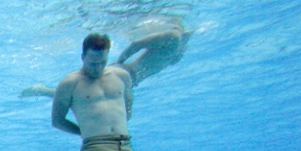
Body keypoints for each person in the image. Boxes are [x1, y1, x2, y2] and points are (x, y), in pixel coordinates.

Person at [20, 25, 192, 98]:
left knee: (80, 93)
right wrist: (119, 65)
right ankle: (41, 90)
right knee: (79, 93)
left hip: (129, 79)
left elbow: (161, 61)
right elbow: (137, 44)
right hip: (124, 74)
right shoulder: (174, 37)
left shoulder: (180, 45)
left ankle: (42, 90)